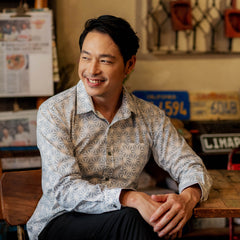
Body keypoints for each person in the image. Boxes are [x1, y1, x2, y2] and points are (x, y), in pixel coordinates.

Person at [27, 15, 212, 240]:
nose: (91, 70)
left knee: (159, 221)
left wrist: (186, 199)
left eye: (105, 61)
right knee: (137, 221)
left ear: (129, 64)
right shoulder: (54, 112)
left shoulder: (149, 116)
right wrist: (131, 198)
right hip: (60, 221)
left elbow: (190, 164)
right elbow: (64, 189)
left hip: (120, 222)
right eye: (85, 58)